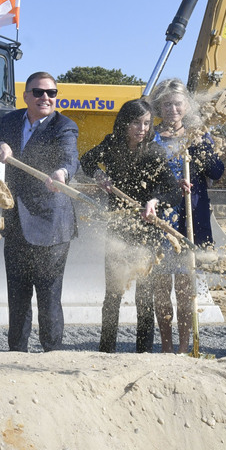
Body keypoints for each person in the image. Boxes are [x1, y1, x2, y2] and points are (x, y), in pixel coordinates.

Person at [0, 71, 79, 351]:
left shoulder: (64, 126)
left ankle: (51, 356)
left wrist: (61, 174)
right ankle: (16, 354)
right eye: (38, 92)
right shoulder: (11, 121)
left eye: (51, 93)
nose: (45, 98)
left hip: (51, 224)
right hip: (15, 223)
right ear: (26, 96)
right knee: (18, 295)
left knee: (48, 296)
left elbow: (69, 159)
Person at [79, 98, 174, 353]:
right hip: (118, 227)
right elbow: (86, 162)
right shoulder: (111, 144)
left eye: (146, 123)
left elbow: (170, 189)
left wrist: (153, 201)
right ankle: (106, 349)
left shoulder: (155, 151)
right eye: (136, 122)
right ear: (124, 123)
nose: (141, 128)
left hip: (147, 231)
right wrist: (99, 175)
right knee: (113, 293)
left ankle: (143, 351)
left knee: (144, 296)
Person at [150, 79, 225, 353]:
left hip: (190, 217)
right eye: (167, 104)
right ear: (159, 106)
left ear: (186, 106)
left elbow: (217, 172)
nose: (172, 109)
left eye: (178, 103)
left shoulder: (199, 135)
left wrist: (201, 146)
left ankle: (185, 345)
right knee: (160, 287)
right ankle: (166, 345)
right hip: (159, 220)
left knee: (184, 288)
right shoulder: (152, 137)